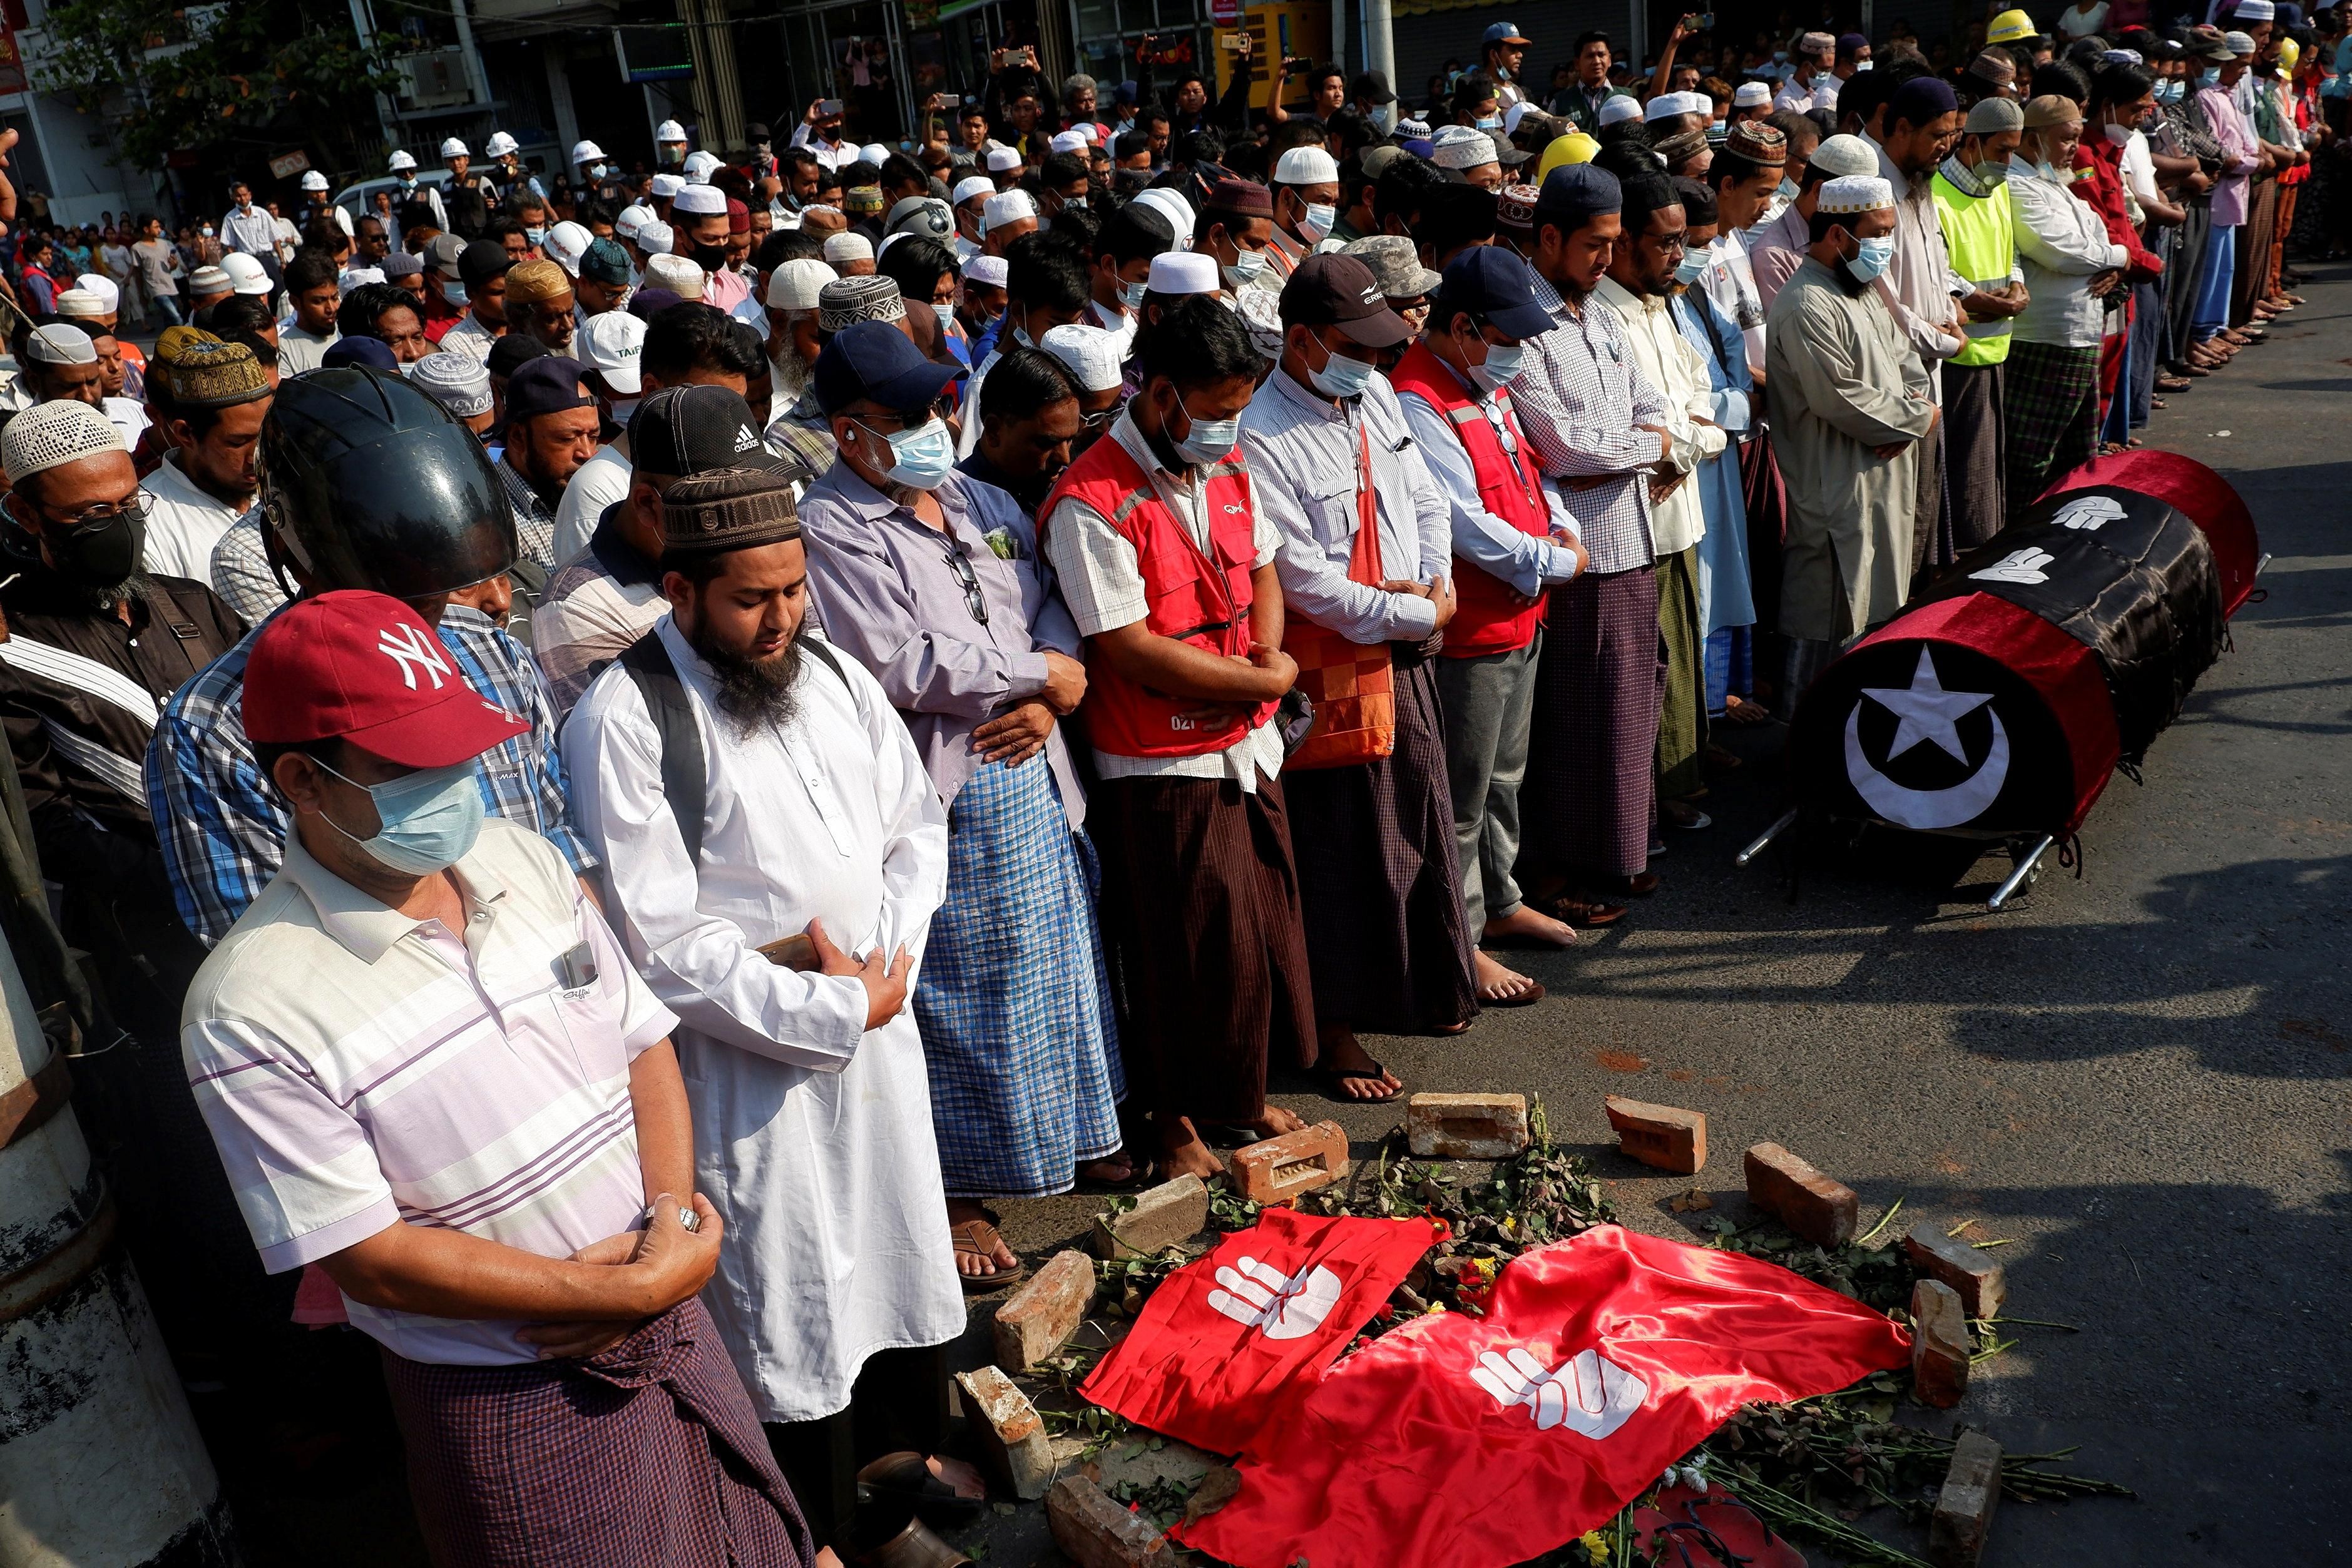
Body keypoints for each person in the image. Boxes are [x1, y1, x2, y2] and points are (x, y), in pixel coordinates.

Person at [182, 586, 812, 1567]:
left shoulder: (525, 861)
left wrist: (669, 1220)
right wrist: (608, 1290)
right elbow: (370, 1255)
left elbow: (642, 1046)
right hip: (507, 1389)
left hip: (667, 1310)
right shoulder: (249, 1004)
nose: (452, 781)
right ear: (303, 780)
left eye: (459, 751)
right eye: (408, 766)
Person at [560, 465, 976, 1554]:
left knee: (889, 1247)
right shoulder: (625, 717)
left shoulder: (829, 668)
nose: (781, 618)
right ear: (680, 590)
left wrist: (887, 968)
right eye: (752, 599)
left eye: (793, 590)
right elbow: (658, 942)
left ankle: (902, 1467)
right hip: (752, 1068)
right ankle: (820, 1524)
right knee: (793, 1292)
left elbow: (911, 829)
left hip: (877, 1024)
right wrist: (829, 1006)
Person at [799, 322, 1127, 1286]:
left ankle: (1067, 1136)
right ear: (848, 430)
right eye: (905, 416)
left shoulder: (974, 494)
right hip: (946, 781)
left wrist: (1048, 681)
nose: (931, 427)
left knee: (1054, 962)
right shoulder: (829, 525)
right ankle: (957, 1189)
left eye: (938, 407)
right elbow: (896, 659)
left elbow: (1052, 588)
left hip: (1034, 765)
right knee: (959, 990)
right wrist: (1034, 679)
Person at [148, 368, 593, 949]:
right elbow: (267, 953)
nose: (422, 620)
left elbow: (564, 850)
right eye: (399, 592)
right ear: (294, 552)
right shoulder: (214, 731)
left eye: (438, 593)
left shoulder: (494, 651)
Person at [1035, 295, 1314, 1181]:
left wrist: (1268, 653)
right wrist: (1262, 678)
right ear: (1160, 397)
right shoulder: (1090, 498)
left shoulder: (1225, 466)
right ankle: (1173, 1117)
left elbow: (1262, 565)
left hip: (1246, 741)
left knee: (1260, 933)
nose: (1228, 430)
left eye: (1238, 411)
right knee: (1182, 949)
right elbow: (1127, 648)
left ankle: (1240, 1094)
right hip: (1157, 760)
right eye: (1216, 412)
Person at [1240, 251, 1475, 1071]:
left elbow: (1424, 495)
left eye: (1382, 346)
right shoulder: (1257, 432)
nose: (1376, 362)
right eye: (1358, 346)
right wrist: (1411, 610)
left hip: (1407, 642)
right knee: (1339, 851)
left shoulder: (1372, 391)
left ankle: (1426, 985)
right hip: (1333, 670)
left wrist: (1438, 583)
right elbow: (1302, 580)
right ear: (1302, 341)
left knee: (1417, 821)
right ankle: (1334, 1030)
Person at [1389, 247, 1592, 1006]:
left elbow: (1531, 469)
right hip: (1474, 624)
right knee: (1463, 793)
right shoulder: (1417, 397)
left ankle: (1500, 902)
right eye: (1505, 337)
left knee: (1506, 776)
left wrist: (1562, 532)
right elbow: (1460, 523)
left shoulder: (1483, 380)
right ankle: (1463, 936)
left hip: (1521, 611)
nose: (1516, 354)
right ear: (1465, 326)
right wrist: (1553, 559)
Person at [1508, 164, 1674, 910]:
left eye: (1612, 244)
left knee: (1632, 704)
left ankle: (1620, 853)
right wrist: (1648, 448)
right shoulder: (1522, 323)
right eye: (1592, 245)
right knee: (1579, 724)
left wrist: (1641, 441)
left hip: (1631, 540)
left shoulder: (1599, 313)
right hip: (1580, 557)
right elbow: (1563, 450)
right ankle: (1561, 872)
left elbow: (1651, 405)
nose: (1608, 258)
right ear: (1548, 238)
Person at [1763, 175, 1940, 705]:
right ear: (1839, 236)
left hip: (1883, 480)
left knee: (1878, 607)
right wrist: (1917, 420)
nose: (1887, 243)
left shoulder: (1861, 291)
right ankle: (1807, 735)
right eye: (1879, 232)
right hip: (1835, 487)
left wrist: (1916, 412)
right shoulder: (1805, 303)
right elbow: (1840, 398)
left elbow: (1910, 364)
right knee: (1829, 611)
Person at [1590, 169, 1726, 832]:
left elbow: (1699, 404)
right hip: (1637, 521)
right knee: (1645, 665)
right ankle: (1646, 801)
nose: (1678, 255)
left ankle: (1677, 780)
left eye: (1681, 243)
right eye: (1664, 242)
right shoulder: (1601, 316)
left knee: (1677, 651)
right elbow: (1639, 435)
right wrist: (1687, 442)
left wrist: (1693, 442)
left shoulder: (1659, 305)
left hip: (1679, 507)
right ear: (1621, 244)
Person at [537, 385, 787, 717]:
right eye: (716, 507)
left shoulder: (765, 554)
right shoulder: (576, 608)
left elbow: (810, 680)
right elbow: (636, 736)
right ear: (647, 503)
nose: (743, 515)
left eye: (755, 492)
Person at [2005, 94, 2129, 504]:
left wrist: (2105, 258)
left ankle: (2060, 538)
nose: (2074, 148)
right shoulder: (2017, 185)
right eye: (2064, 139)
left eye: (2076, 138)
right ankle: (2019, 536)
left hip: (2079, 333)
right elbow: (2060, 250)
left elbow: (2093, 234)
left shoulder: (2054, 181)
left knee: (2076, 456)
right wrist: (2119, 257)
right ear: (2033, 138)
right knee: (2032, 455)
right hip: (2048, 337)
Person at [1866, 78, 1967, 574]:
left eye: (1953, 135)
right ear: (1901, 128)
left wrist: (1953, 303)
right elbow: (1882, 304)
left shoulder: (1922, 184)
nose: (1946, 147)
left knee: (1925, 522)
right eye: (1938, 135)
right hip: (1898, 387)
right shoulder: (1877, 195)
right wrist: (1945, 339)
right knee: (1901, 530)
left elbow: (1936, 266)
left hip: (1932, 377)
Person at [1931, 96, 2029, 543]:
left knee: (1989, 463)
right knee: (1967, 469)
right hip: (1960, 353)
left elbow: (2010, 250)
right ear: (1971, 143)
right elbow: (1941, 270)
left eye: (2014, 151)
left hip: (1996, 345)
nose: (2008, 162)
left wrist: (2018, 284)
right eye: (2002, 151)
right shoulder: (1937, 194)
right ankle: (1967, 558)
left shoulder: (1998, 188)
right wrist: (1985, 301)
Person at [145, 334, 272, 581]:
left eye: (267, 435)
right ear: (185, 434)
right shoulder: (149, 522)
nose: (259, 456)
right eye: (237, 443)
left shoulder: (294, 485)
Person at [957, 344, 1086, 516]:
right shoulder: (958, 507)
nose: (1065, 458)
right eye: (1045, 443)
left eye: (1070, 440)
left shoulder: (1071, 492)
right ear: (994, 430)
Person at [497, 357, 599, 570]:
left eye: (593, 436)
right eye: (568, 438)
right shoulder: (495, 523)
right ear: (518, 436)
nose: (588, 453)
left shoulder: (604, 486)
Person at [439, 240, 514, 363]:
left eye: (511, 289)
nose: (508, 298)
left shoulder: (528, 325)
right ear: (470, 293)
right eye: (497, 292)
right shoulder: (454, 348)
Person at [275, 250, 343, 374]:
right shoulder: (284, 350)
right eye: (318, 301)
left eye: (335, 298)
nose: (331, 308)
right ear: (295, 302)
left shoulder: (351, 331)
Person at [504, 258, 577, 356]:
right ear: (520, 321)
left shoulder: (586, 345)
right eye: (551, 319)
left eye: (570, 313)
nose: (568, 326)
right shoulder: (509, 366)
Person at [218, 182, 282, 284]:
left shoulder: (262, 213)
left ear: (250, 195)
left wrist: (282, 261)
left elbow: (275, 239)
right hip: (248, 262)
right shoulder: (230, 219)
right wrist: (238, 267)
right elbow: (230, 247)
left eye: (244, 195)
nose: (243, 199)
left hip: (267, 258)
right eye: (238, 196)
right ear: (233, 197)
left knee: (278, 289)